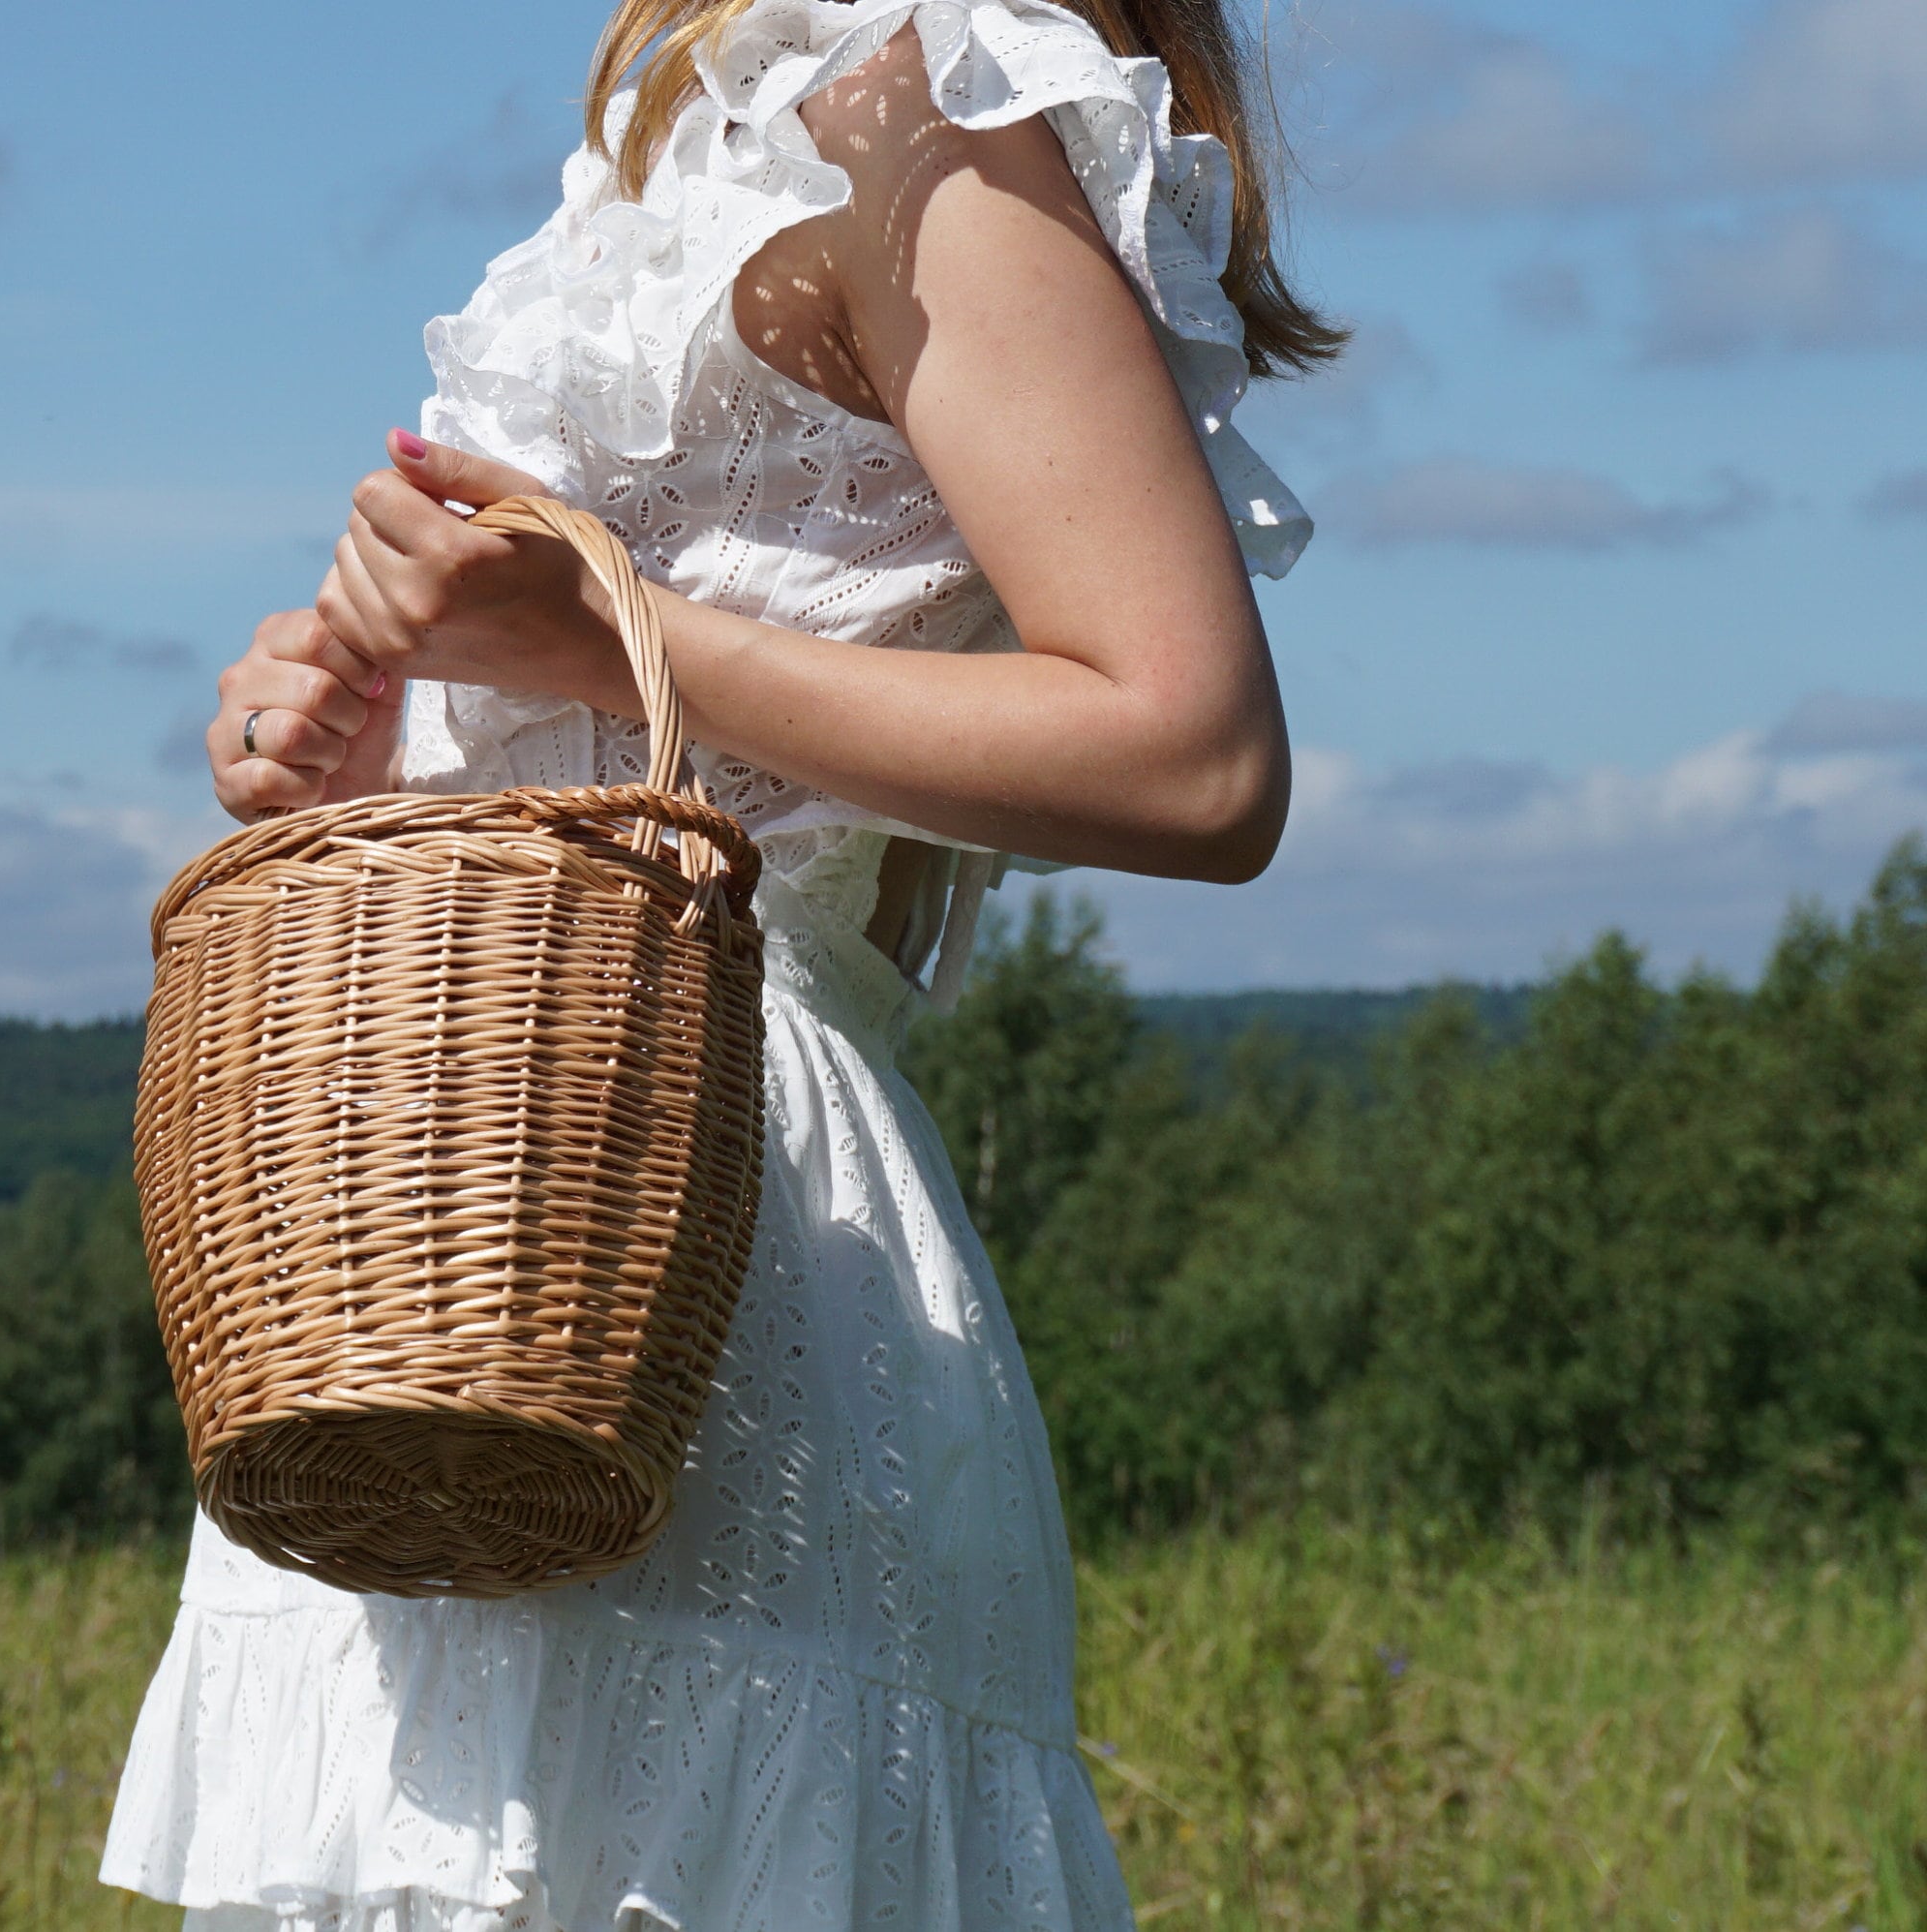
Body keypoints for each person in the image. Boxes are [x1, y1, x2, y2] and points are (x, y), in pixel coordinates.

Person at [106, 0, 1337, 1923]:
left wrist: (608, 646)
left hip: (690, 1235)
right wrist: (358, 748)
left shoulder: (929, 100)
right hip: (466, 1220)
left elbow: (1193, 753)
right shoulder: (702, 131)